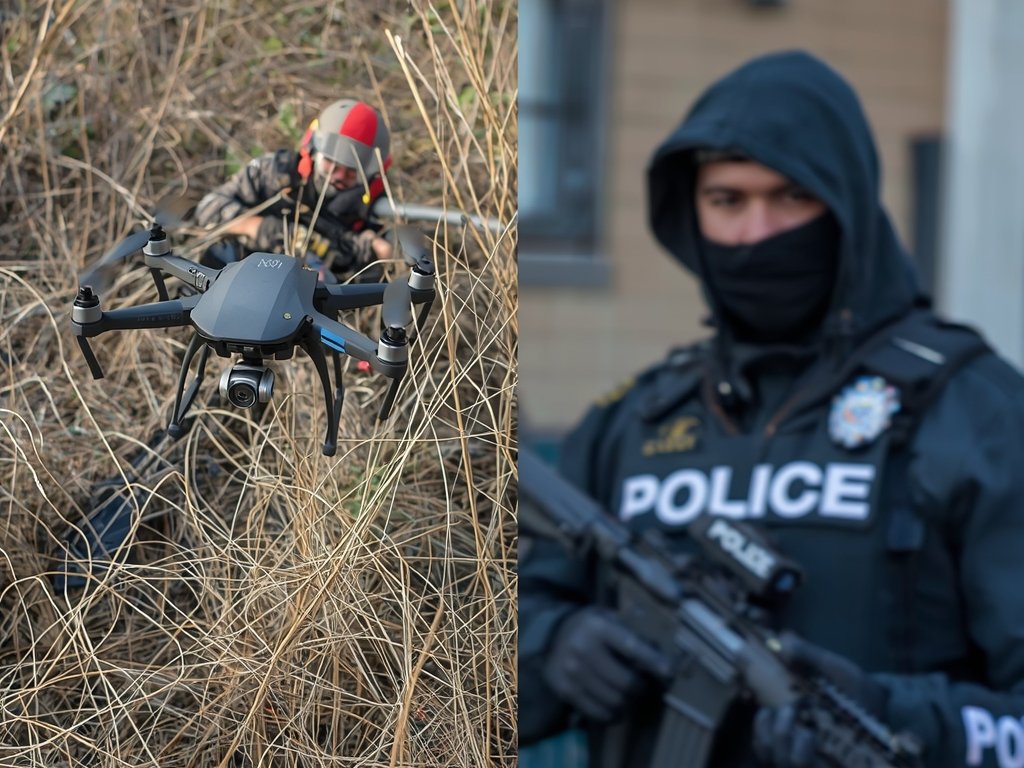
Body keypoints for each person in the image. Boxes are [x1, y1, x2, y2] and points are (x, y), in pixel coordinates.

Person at [519, 50, 1024, 768]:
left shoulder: (975, 415)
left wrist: (897, 717)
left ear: (846, 204)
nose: (756, 232)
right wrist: (553, 649)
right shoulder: (632, 421)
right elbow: (477, 666)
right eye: (727, 200)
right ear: (689, 211)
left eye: (790, 197)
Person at [194, 97, 393, 279]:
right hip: (240, 275)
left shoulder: (375, 208)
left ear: (371, 173)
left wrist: (380, 255)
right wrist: (260, 228)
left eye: (351, 172)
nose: (338, 176)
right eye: (331, 164)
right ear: (313, 152)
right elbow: (208, 208)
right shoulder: (275, 173)